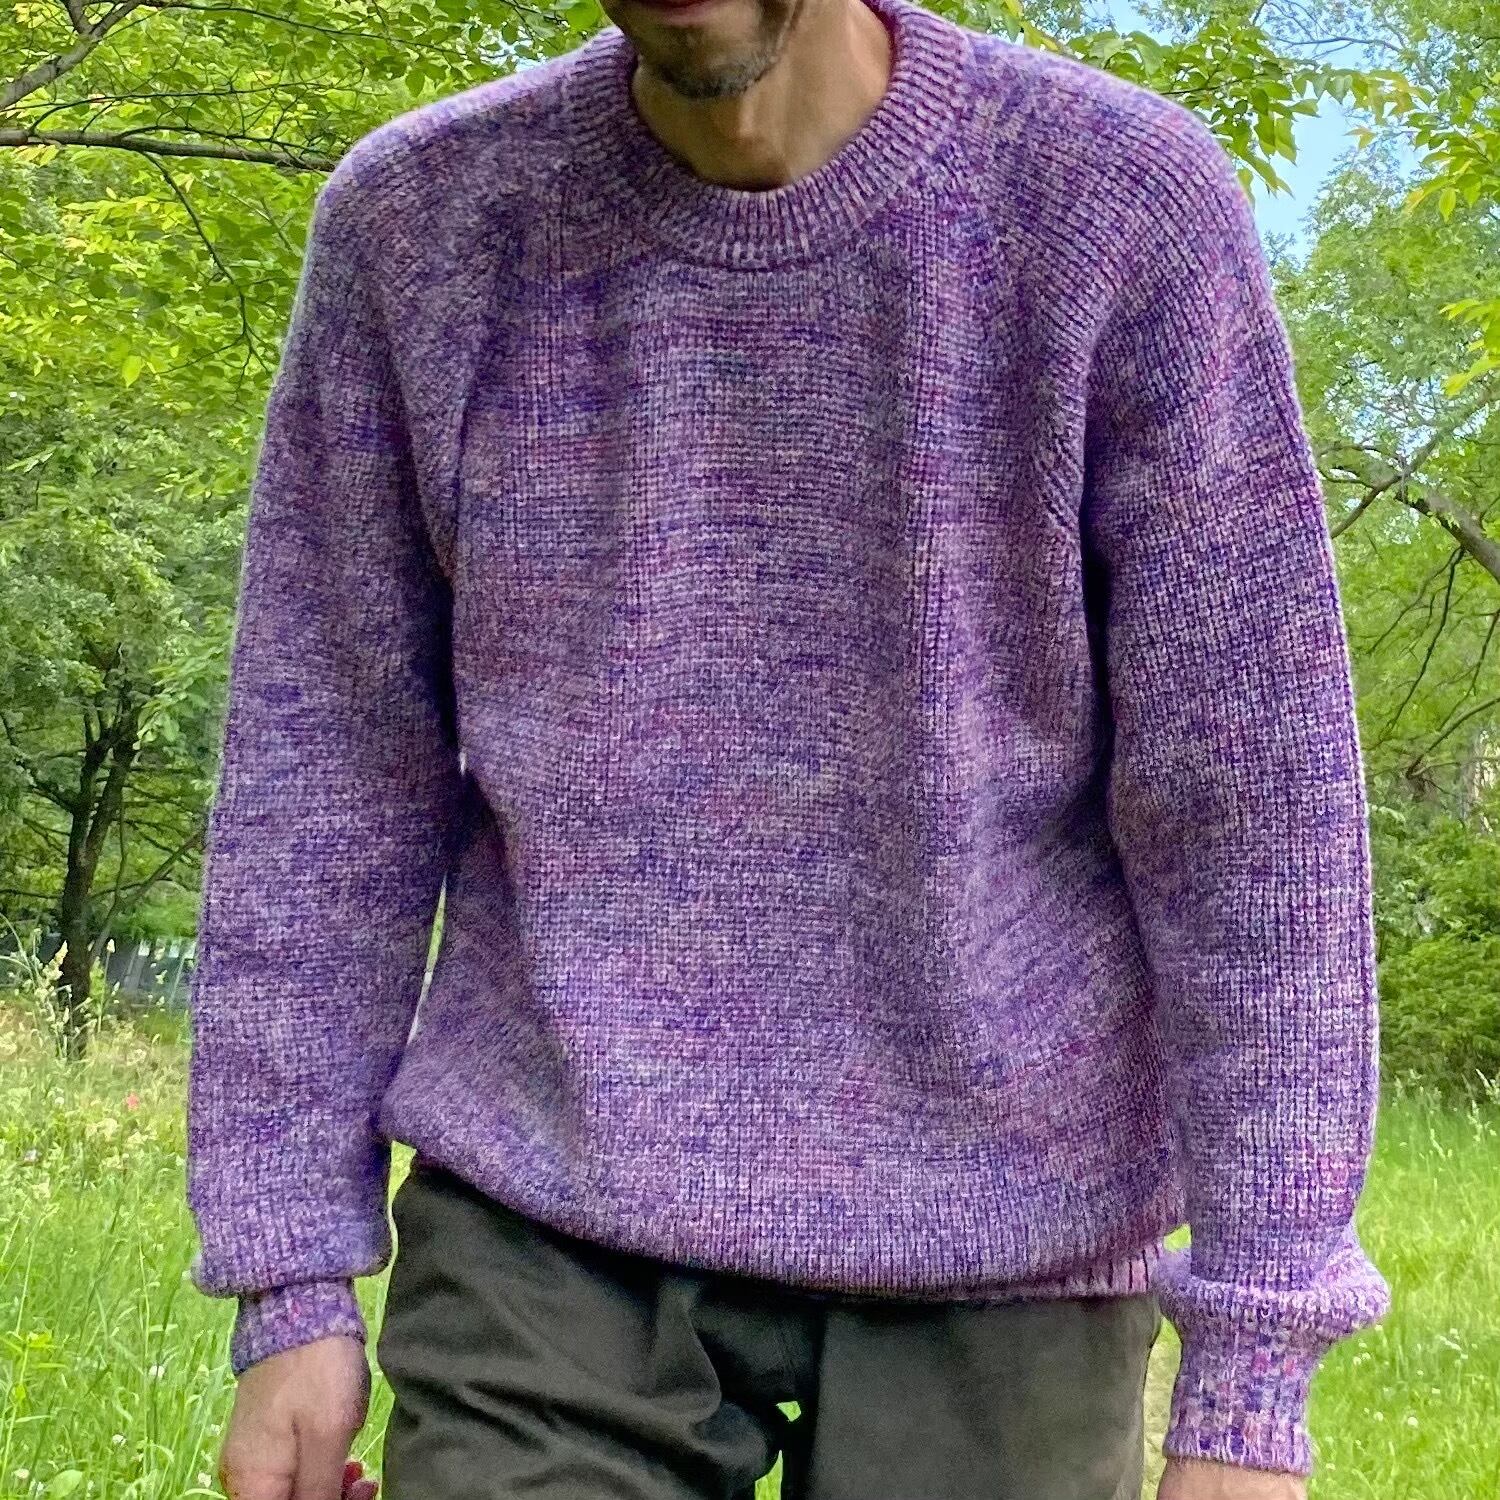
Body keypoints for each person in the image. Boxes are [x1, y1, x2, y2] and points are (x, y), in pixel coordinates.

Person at [184, 0, 1393, 1496]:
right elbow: (324, 777)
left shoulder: (1116, 204)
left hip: (1011, 1225)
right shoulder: (424, 223)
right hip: (550, 1216)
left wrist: (1255, 1376)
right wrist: (290, 1282)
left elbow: (1251, 808)